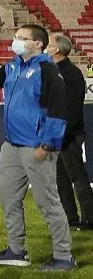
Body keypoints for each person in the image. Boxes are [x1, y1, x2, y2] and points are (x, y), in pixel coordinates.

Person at [0, 26, 75, 269]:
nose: (16, 41)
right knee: (8, 198)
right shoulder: (12, 67)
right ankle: (16, 251)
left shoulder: (47, 69)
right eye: (16, 37)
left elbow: (58, 110)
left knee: (47, 202)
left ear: (39, 45)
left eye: (23, 39)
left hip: (36, 147)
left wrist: (47, 144)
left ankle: (64, 256)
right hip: (11, 146)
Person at [47, 35, 93, 229]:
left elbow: (72, 109)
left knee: (77, 176)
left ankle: (89, 218)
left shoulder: (71, 73)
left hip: (68, 134)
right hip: (57, 134)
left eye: (49, 45)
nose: (45, 47)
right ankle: (70, 218)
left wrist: (62, 134)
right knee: (61, 178)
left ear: (57, 50)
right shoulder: (55, 71)